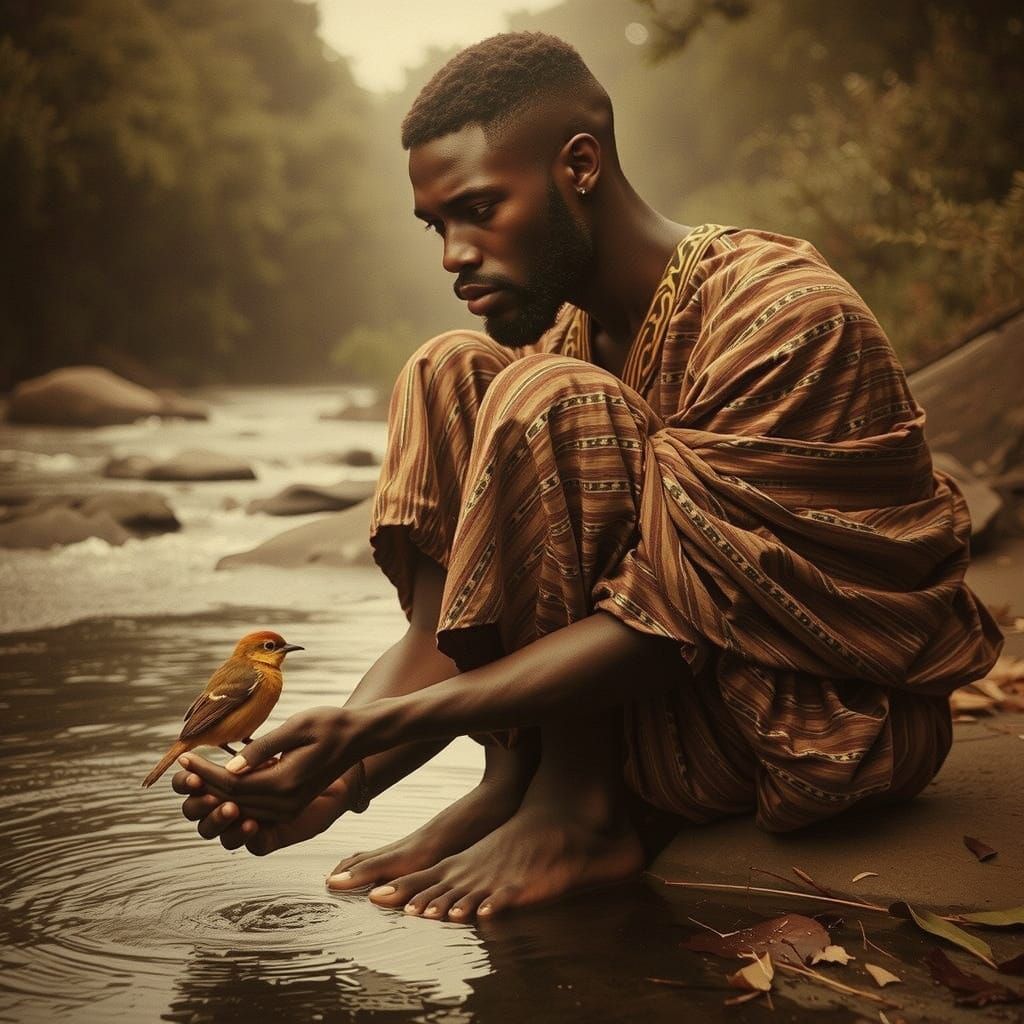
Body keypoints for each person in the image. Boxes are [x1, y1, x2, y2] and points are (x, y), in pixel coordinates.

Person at [173, 32, 1003, 922]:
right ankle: (525, 781)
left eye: (479, 208)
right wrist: (340, 778)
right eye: (437, 225)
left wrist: (372, 727)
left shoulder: (781, 313)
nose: (453, 253)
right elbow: (438, 629)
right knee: (446, 367)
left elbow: (674, 622)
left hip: (811, 730)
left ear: (579, 165)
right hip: (656, 717)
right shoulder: (555, 338)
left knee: (547, 396)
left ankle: (581, 812)